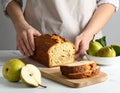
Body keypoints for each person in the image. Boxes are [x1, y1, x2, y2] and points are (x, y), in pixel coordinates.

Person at [1, 0, 119, 60]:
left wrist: (88, 34)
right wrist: (21, 25)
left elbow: (109, 1)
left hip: (88, 50)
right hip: (35, 47)